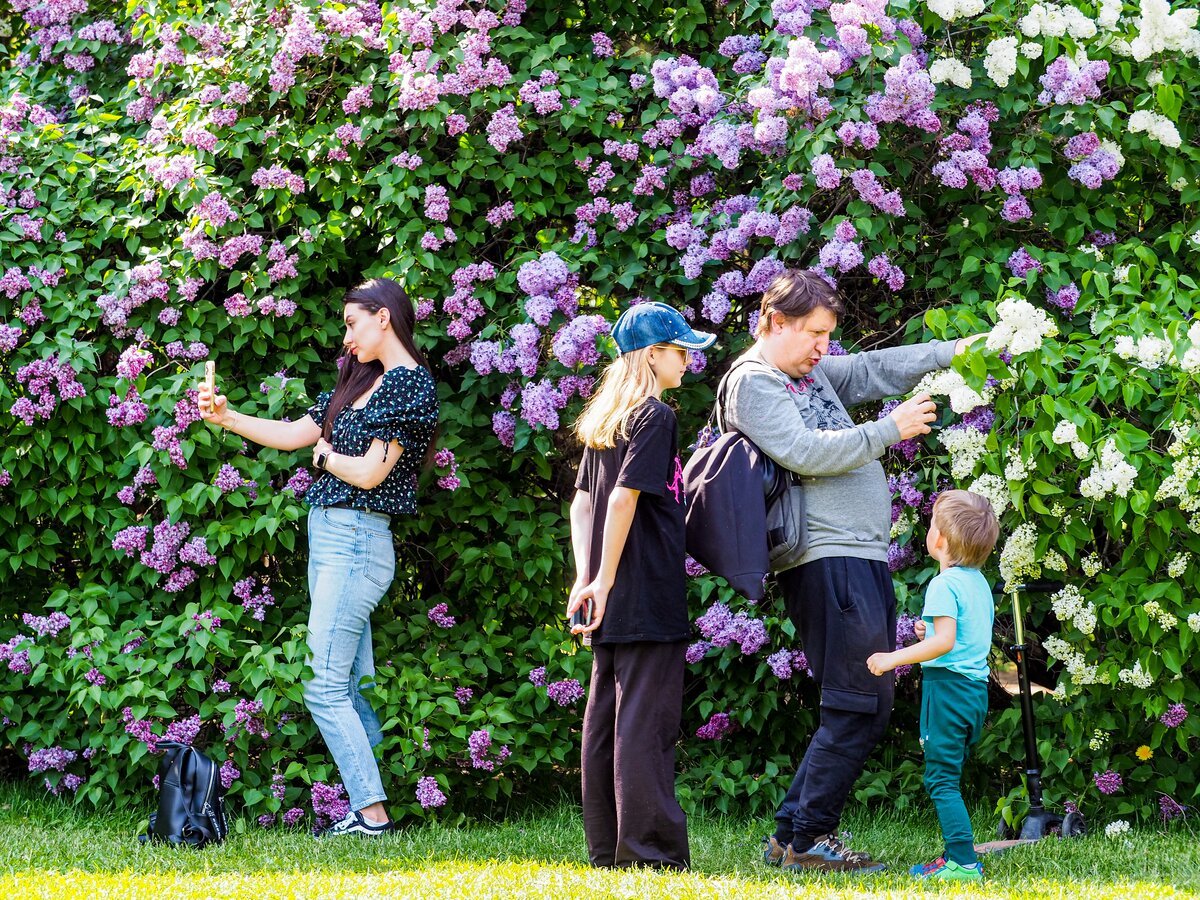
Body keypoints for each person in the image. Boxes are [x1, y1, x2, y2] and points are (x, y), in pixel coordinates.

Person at [719, 269, 985, 873]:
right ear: (773, 321)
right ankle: (811, 838)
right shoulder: (755, 384)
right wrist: (889, 430)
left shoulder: (804, 373)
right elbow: (804, 451)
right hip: (825, 557)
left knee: (860, 697)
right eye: (813, 333)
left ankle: (791, 835)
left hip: (853, 554)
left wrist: (955, 353)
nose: (822, 348)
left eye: (828, 335)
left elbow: (871, 370)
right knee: (860, 698)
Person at [197, 277, 438, 837]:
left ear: (384, 317)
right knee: (348, 684)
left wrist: (325, 458)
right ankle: (376, 802)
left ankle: (372, 815)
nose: (346, 335)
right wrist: (227, 418)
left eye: (353, 322)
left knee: (322, 685)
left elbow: (370, 473)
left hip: (357, 542)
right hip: (334, 539)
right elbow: (293, 433)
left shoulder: (411, 386)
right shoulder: (361, 382)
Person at [567, 301, 715, 870]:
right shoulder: (653, 415)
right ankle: (647, 852)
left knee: (607, 718)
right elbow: (623, 498)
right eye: (680, 351)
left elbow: (583, 504)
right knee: (645, 724)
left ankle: (608, 848)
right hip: (645, 587)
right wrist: (602, 579)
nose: (687, 361)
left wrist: (587, 578)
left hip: (609, 591)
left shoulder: (607, 419)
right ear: (653, 355)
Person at [866, 490, 1000, 882]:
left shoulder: (943, 585)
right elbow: (957, 633)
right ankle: (955, 855)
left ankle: (964, 862)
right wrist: (928, 629)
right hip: (972, 692)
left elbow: (944, 644)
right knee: (948, 775)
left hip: (947, 691)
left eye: (930, 526)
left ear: (939, 540)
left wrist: (892, 658)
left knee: (941, 779)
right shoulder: (977, 584)